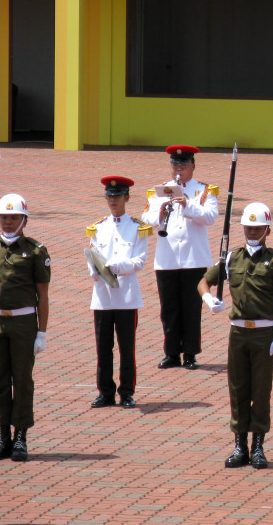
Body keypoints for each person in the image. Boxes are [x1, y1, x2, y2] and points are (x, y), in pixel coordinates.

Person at [197, 202, 273, 469]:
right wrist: (208, 300)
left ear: (267, 230)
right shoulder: (232, 258)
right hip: (238, 333)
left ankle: (258, 447)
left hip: (264, 334)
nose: (251, 232)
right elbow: (204, 281)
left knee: (260, 391)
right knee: (238, 389)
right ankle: (240, 446)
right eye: (248, 228)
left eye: (257, 228)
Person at [0, 193, 50, 462]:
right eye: (3, 217)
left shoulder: (35, 250)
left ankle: (20, 437)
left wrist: (42, 331)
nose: (7, 222)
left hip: (23, 322)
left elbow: (43, 295)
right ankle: (2, 436)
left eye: (13, 217)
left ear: (24, 220)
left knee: (23, 380)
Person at [142, 145, 219, 370]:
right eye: (175, 164)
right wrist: (160, 213)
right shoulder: (160, 190)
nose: (179, 169)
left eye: (183, 164)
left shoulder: (204, 190)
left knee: (191, 308)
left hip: (194, 259)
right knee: (169, 308)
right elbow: (146, 217)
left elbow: (210, 217)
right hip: (167, 259)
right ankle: (172, 353)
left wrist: (188, 205)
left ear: (193, 166)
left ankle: (191, 354)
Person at [86, 176, 152, 409]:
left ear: (127, 198)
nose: (113, 200)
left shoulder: (137, 228)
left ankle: (126, 392)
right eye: (109, 196)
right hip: (103, 296)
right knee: (103, 347)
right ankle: (105, 392)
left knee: (127, 347)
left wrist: (115, 267)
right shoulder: (98, 227)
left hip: (126, 296)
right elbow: (91, 257)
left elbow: (140, 261)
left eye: (117, 196)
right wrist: (96, 271)